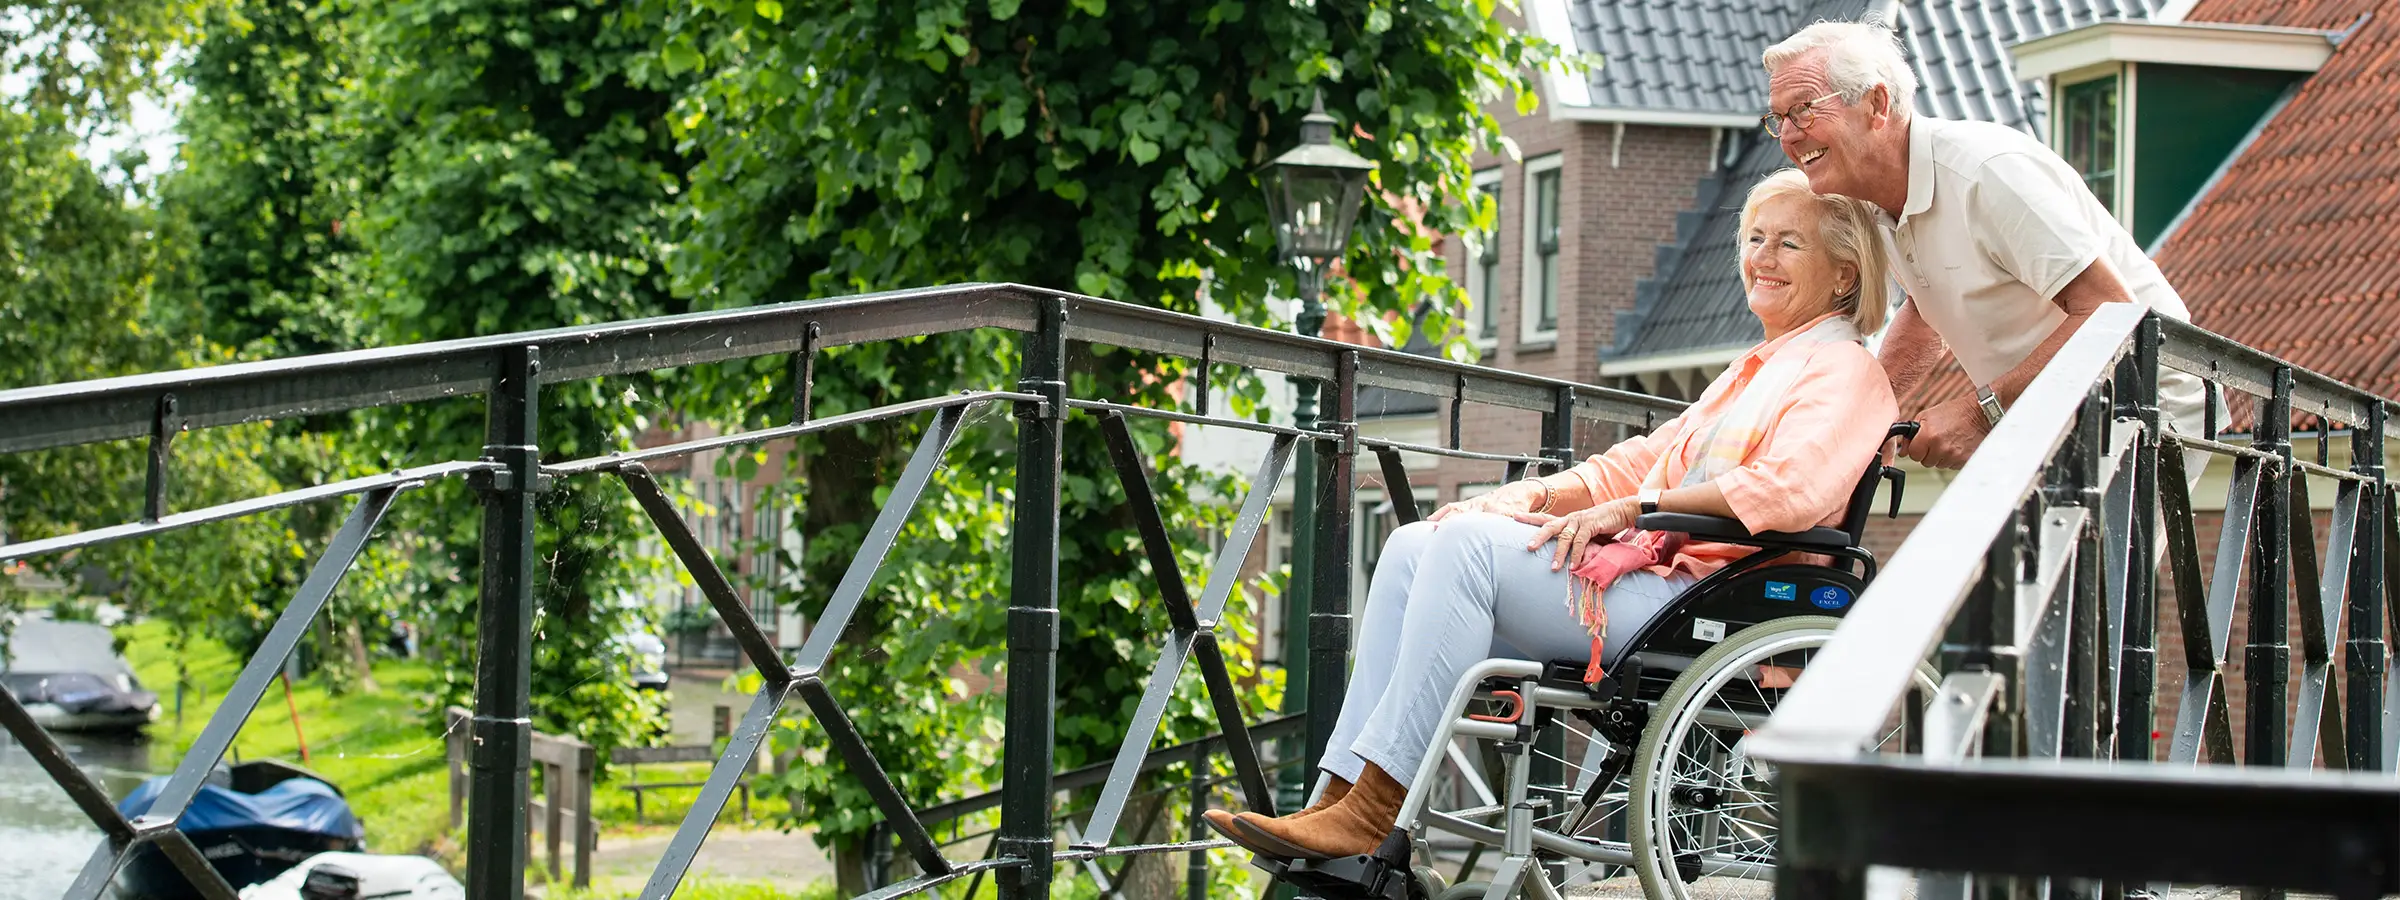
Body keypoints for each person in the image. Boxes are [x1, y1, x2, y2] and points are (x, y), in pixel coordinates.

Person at [1202, 169, 1900, 860]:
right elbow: (1638, 461)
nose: (1762, 257)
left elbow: (1788, 490)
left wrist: (1636, 511)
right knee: (1417, 543)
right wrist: (1527, 497)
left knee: (1468, 550)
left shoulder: (1845, 370)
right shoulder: (1759, 369)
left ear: (1844, 274)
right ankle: (1338, 794)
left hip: (1709, 598)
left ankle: (1377, 810)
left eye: (1788, 243)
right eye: (1754, 238)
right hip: (1667, 584)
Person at [1758, 20, 2213, 480]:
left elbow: (2111, 309)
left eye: (1804, 110)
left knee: (2052, 531)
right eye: (1779, 118)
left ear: (1876, 104)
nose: (1788, 136)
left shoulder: (1987, 174)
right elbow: (1928, 311)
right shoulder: (1873, 198)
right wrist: (1867, 413)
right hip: (2055, 411)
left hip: (2145, 406)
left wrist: (1981, 413)